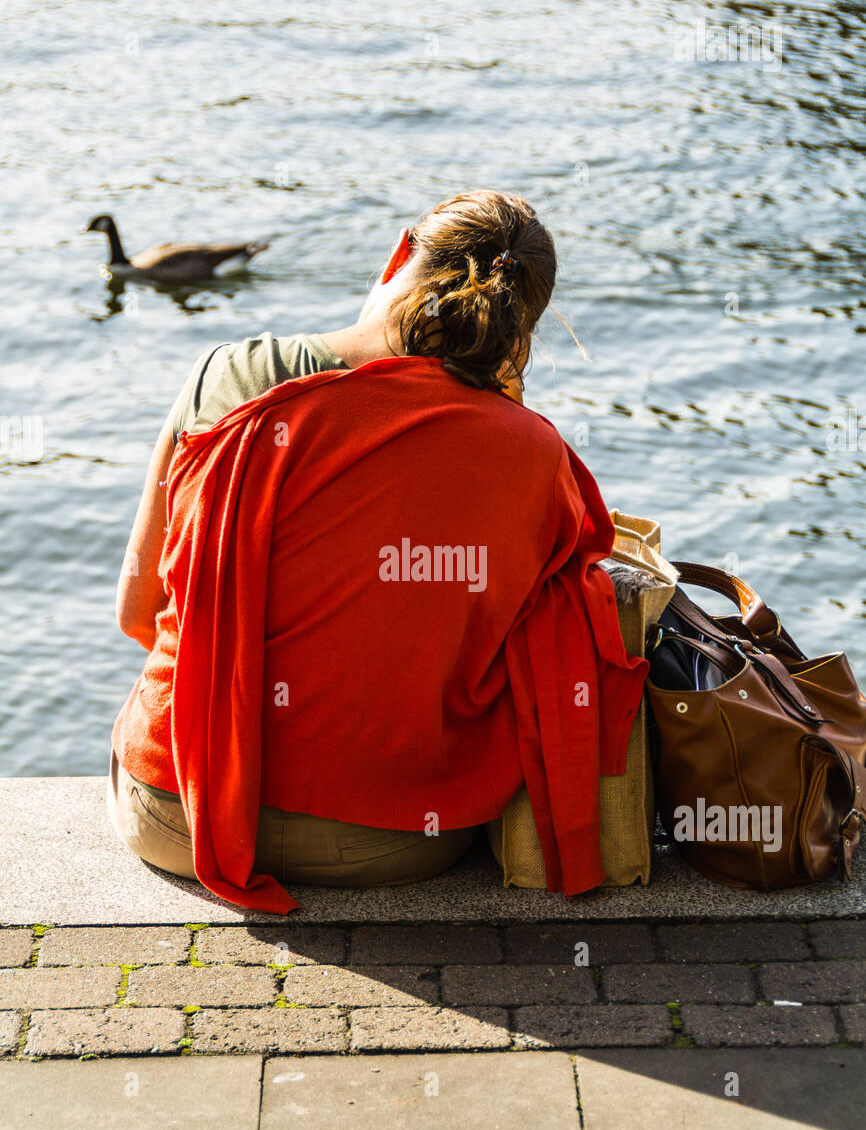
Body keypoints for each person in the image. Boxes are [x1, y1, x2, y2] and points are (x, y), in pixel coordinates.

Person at [107, 189, 647, 914]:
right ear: (522, 326)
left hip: (176, 806)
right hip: (391, 840)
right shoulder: (533, 453)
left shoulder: (230, 375)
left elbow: (138, 616)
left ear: (399, 252)